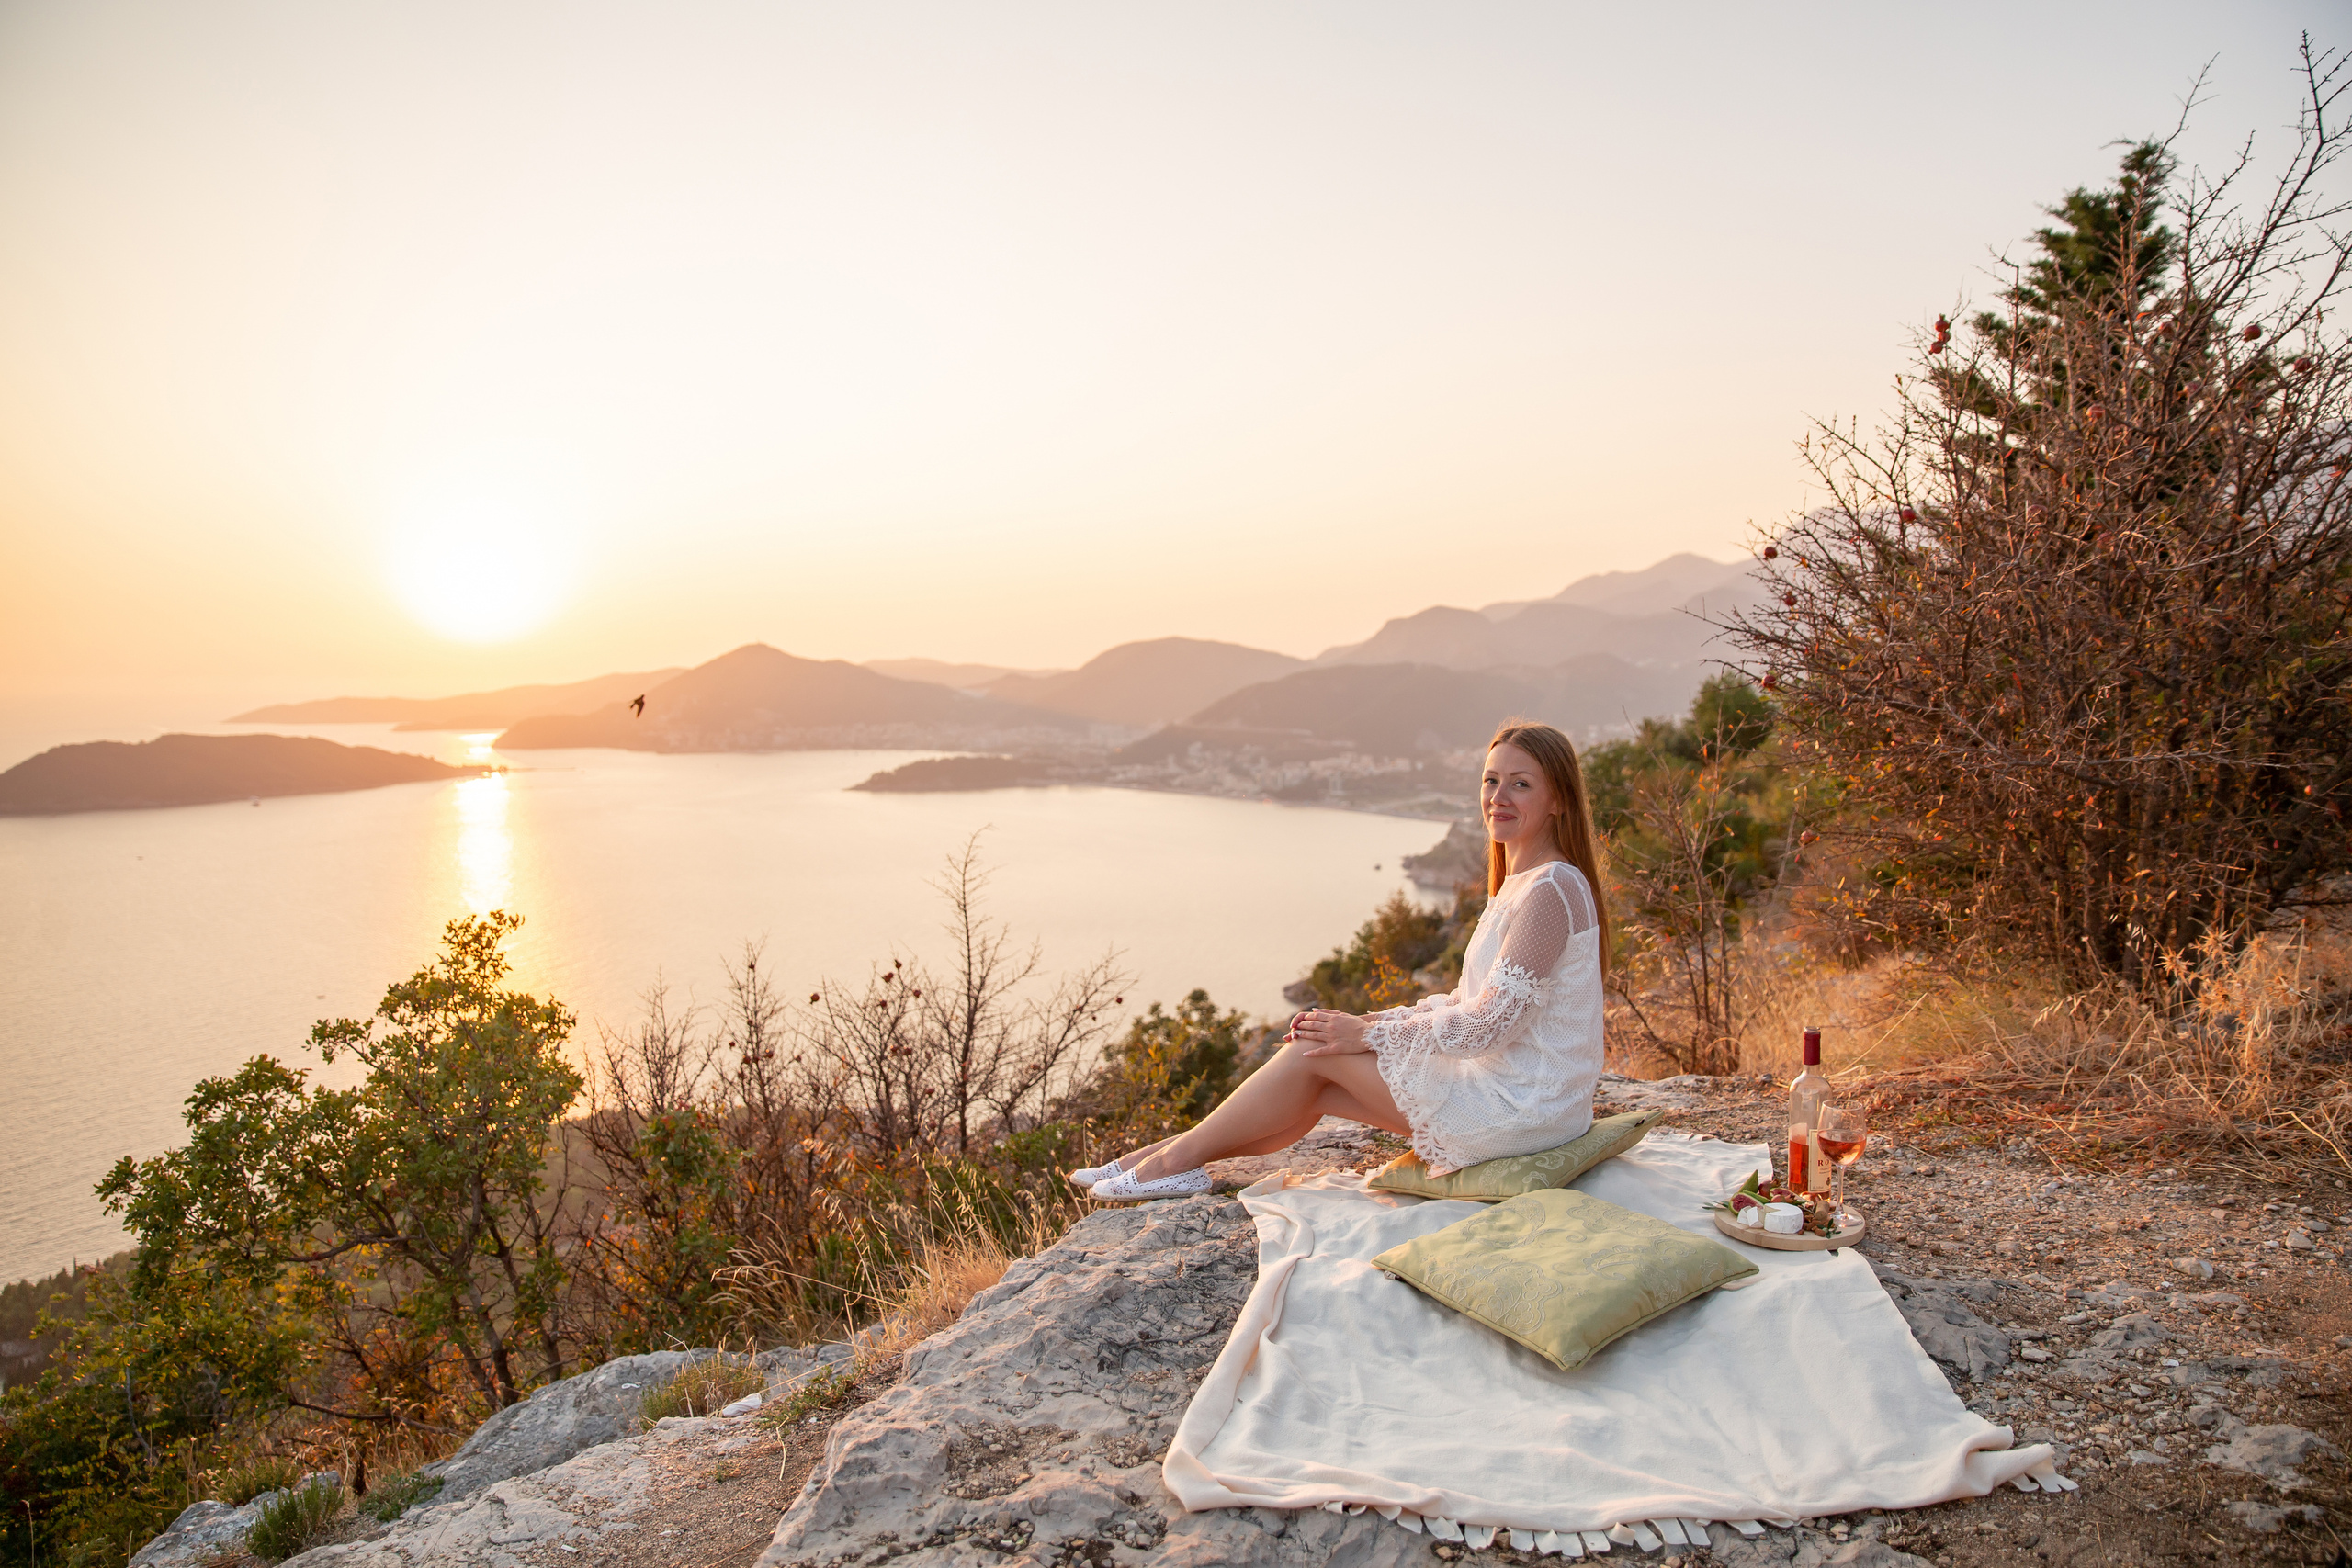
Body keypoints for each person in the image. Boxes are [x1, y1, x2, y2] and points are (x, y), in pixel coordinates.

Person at [1073, 719, 1610, 1202]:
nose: (1499, 796)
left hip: (1525, 1109)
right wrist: (1371, 1022)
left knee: (1312, 1051)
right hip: (1517, 1096)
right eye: (1491, 780)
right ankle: (1158, 1160)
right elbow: (1469, 1002)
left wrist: (1366, 1035)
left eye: (1521, 784)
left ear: (1558, 800)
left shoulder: (1550, 888)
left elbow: (1489, 1025)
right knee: (1319, 1082)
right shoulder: (1523, 884)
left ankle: (1167, 1165)